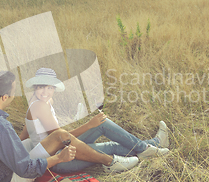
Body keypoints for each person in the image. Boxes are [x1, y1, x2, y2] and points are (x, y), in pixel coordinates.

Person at [0, 71, 140, 182]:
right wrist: (58, 158)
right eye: (13, 92)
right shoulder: (0, 126)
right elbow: (25, 169)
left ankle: (142, 147)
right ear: (4, 97)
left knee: (47, 139)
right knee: (58, 136)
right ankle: (111, 161)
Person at [19, 68, 170, 173]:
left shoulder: (40, 101)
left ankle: (149, 148)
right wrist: (89, 125)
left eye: (49, 88)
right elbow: (62, 138)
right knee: (109, 143)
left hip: (64, 148)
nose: (45, 92)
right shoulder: (40, 106)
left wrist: (16, 147)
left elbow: (27, 129)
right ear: (34, 87)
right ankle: (151, 147)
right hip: (60, 160)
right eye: (41, 87)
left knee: (103, 126)